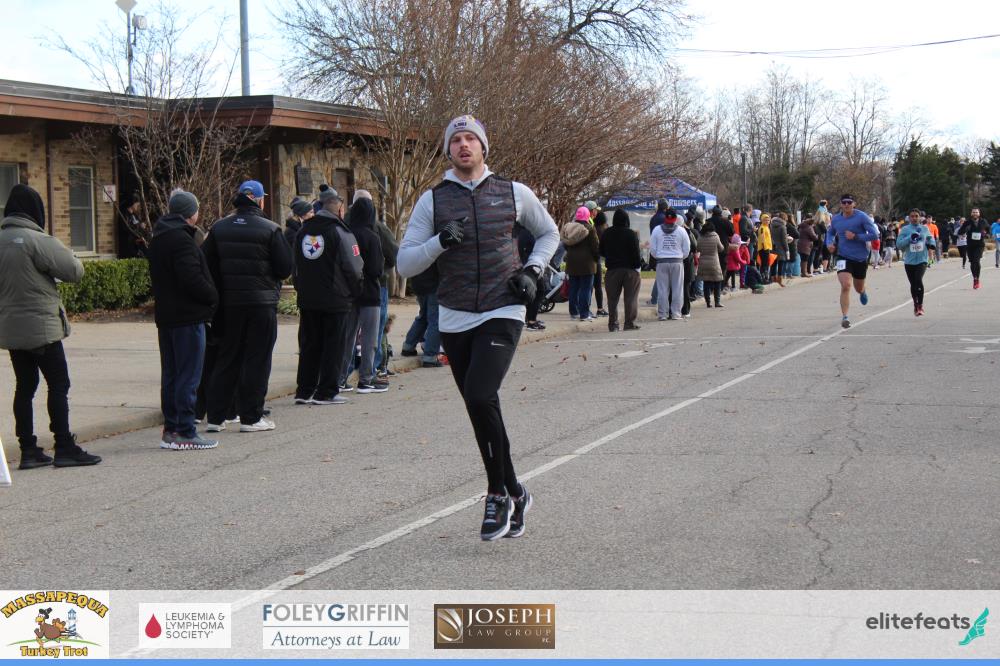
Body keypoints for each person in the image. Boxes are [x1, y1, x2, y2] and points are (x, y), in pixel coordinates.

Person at [396, 115, 558, 540]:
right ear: (448, 150)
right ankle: (517, 490)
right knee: (479, 405)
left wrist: (533, 269)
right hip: (454, 314)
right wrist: (439, 242)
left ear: (484, 147)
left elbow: (549, 233)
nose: (464, 145)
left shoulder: (513, 192)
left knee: (480, 393)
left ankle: (496, 494)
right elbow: (405, 263)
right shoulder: (433, 201)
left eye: (471, 138)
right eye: (456, 140)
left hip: (503, 308)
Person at [0, 184, 100, 468]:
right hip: (42, 327)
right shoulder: (37, 240)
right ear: (35, 211)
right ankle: (64, 446)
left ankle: (28, 450)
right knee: (58, 383)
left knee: (25, 386)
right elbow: (74, 271)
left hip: (11, 328)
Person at [202, 180, 293, 432]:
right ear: (259, 200)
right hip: (261, 303)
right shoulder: (271, 229)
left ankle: (217, 416)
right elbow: (285, 268)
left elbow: (206, 264)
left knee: (226, 358)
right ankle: (251, 416)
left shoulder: (219, 228)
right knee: (257, 360)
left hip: (229, 304)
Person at [147, 188, 219, 450]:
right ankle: (185, 430)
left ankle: (171, 428)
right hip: (187, 317)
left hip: (167, 316)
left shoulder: (159, 238)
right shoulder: (181, 240)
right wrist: (212, 295)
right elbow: (191, 278)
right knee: (188, 376)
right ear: (191, 213)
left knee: (172, 374)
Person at [292, 185, 364, 405]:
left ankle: (304, 391)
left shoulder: (303, 231)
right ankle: (326, 391)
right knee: (334, 346)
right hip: (335, 299)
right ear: (338, 207)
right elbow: (354, 267)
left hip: (308, 299)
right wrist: (355, 291)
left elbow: (295, 266)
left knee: (309, 345)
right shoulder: (341, 232)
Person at [342, 195, 388, 393]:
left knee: (347, 337)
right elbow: (377, 269)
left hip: (349, 292)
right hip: (370, 292)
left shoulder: (346, 234)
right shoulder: (372, 236)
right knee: (369, 339)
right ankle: (366, 378)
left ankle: (340, 378)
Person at [825, 194, 879, 328]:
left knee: (858, 287)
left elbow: (874, 235)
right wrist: (829, 243)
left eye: (849, 202)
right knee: (846, 285)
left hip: (860, 257)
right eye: (844, 202)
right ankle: (845, 317)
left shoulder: (862, 217)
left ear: (854, 204)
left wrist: (856, 236)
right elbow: (830, 233)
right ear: (841, 204)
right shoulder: (836, 219)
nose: (846, 204)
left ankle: (862, 291)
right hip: (843, 256)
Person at [600, 207, 642, 331]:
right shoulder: (631, 234)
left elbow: (601, 251)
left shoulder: (607, 233)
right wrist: (637, 266)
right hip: (630, 270)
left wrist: (610, 256)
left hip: (612, 270)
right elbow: (636, 253)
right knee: (631, 298)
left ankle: (613, 324)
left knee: (612, 299)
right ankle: (629, 323)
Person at [650, 208, 691, 321]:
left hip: (661, 262)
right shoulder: (681, 231)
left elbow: (652, 249)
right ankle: (676, 313)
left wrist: (659, 256)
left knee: (662, 289)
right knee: (677, 288)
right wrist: (680, 257)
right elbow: (687, 249)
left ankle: (663, 314)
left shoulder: (657, 230)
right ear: (675, 219)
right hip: (677, 261)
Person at [563, 206, 600, 322]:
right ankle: (584, 314)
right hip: (587, 264)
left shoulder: (568, 227)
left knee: (573, 288)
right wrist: (596, 259)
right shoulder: (590, 229)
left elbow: (565, 244)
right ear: (587, 216)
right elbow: (595, 247)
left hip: (571, 262)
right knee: (586, 288)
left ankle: (574, 313)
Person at [401, 265, 444, 363]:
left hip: (419, 284)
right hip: (434, 284)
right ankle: (430, 356)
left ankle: (408, 346)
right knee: (435, 320)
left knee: (423, 317)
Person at [896, 209, 932, 316]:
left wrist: (932, 244)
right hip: (909, 261)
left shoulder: (924, 228)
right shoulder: (905, 229)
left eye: (916, 216)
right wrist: (910, 237)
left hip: (922, 260)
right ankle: (915, 305)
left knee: (918, 280)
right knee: (913, 284)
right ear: (909, 218)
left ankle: (920, 305)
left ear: (920, 217)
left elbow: (930, 238)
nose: (914, 218)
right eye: (912, 216)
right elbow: (899, 244)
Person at [957, 208, 989, 289]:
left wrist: (985, 233)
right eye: (973, 212)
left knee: (976, 261)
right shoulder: (967, 222)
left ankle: (977, 279)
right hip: (970, 245)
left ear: (979, 213)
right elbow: (960, 232)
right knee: (972, 262)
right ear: (971, 213)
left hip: (979, 245)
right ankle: (974, 278)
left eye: (976, 212)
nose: (975, 213)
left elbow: (988, 229)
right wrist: (965, 229)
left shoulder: (983, 221)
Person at [696, 223, 725, 307]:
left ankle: (708, 303)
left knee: (706, 283)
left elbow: (698, 248)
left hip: (703, 263)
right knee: (717, 282)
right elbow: (721, 248)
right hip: (714, 263)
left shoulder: (700, 237)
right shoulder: (716, 237)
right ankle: (717, 302)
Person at [588, 203, 609, 317]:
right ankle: (600, 308)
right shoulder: (603, 231)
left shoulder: (591, 227)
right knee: (598, 286)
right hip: (597, 259)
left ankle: (587, 308)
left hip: (588, 259)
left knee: (589, 286)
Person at [770, 213, 788, 287]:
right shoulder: (782, 227)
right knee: (781, 264)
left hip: (773, 246)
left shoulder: (771, 225)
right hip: (781, 248)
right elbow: (784, 240)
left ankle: (773, 279)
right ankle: (779, 280)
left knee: (773, 264)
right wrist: (787, 249)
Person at [756, 213, 773, 283]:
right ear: (762, 220)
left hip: (767, 247)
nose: (767, 221)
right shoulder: (762, 228)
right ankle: (763, 278)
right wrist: (764, 247)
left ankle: (765, 278)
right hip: (764, 248)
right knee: (764, 264)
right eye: (765, 220)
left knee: (765, 263)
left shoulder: (766, 227)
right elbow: (762, 238)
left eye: (768, 220)